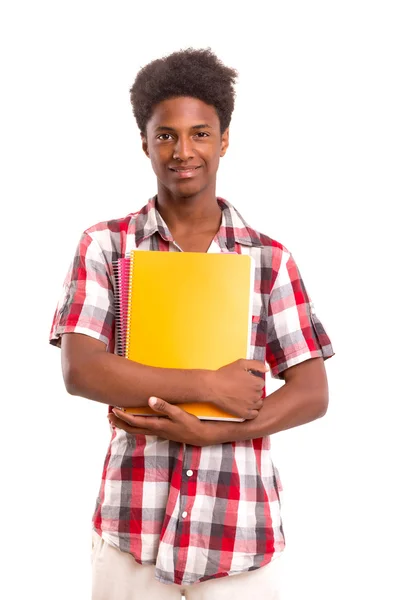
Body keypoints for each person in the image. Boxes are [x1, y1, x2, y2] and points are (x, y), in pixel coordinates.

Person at [50, 47, 334, 600]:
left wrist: (213, 431)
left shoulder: (268, 258)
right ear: (145, 143)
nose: (184, 151)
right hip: (133, 535)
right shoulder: (106, 246)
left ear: (224, 140)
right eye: (166, 136)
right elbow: (81, 369)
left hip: (239, 540)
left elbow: (312, 390)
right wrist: (206, 385)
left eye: (200, 134)